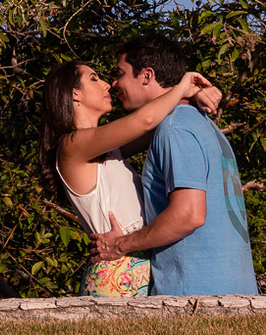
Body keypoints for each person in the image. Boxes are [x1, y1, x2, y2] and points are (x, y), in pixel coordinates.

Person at [91, 35, 257, 296]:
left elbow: (188, 215)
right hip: (233, 290)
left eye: (120, 74)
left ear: (147, 75)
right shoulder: (202, 124)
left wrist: (120, 245)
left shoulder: (175, 128)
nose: (114, 83)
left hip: (195, 294)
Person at [40, 60, 218, 296]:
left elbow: (160, 123)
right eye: (94, 78)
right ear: (75, 94)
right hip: (115, 272)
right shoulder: (71, 146)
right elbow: (145, 120)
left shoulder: (108, 151)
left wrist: (194, 97)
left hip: (137, 268)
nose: (107, 85)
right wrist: (183, 85)